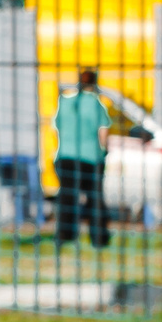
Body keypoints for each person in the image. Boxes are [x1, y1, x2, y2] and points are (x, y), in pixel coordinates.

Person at [53, 67, 113, 248]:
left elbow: (57, 130)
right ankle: (98, 238)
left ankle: (64, 235)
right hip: (91, 159)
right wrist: (104, 152)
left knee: (67, 198)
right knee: (94, 199)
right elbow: (103, 134)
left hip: (66, 157)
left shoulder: (64, 102)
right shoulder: (97, 104)